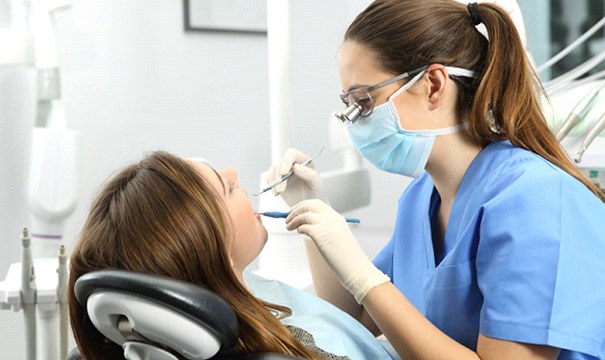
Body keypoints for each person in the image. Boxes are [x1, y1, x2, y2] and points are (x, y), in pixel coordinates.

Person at [265, 1, 605, 359]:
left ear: (433, 84)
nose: (354, 123)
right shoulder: (420, 199)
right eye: (349, 104)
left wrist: (365, 276)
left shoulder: (537, 201)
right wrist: (314, 211)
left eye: (365, 102)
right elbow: (357, 315)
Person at [67, 150, 398, 360]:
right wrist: (363, 278)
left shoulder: (241, 295)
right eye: (226, 188)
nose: (234, 173)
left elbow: (340, 322)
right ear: (213, 249)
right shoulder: (292, 347)